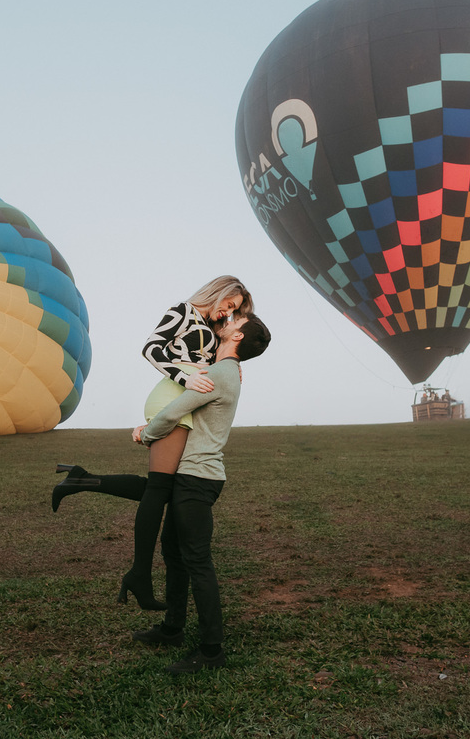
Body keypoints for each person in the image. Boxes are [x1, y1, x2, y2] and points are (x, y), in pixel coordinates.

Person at [51, 276, 253, 610]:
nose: (227, 314)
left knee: (164, 488)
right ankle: (139, 575)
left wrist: (233, 364)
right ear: (221, 291)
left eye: (234, 311)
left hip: (184, 403)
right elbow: (150, 348)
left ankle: (81, 479)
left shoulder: (208, 325)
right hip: (171, 399)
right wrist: (184, 376)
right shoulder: (182, 311)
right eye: (229, 305)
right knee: (160, 489)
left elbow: (215, 357)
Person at [130, 313, 271, 674]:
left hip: (197, 478)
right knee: (174, 553)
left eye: (233, 318)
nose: (225, 318)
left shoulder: (219, 375)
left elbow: (172, 413)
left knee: (196, 561)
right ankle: (173, 629)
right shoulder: (225, 371)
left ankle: (211, 652)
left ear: (236, 334)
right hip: (194, 476)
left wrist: (145, 435)